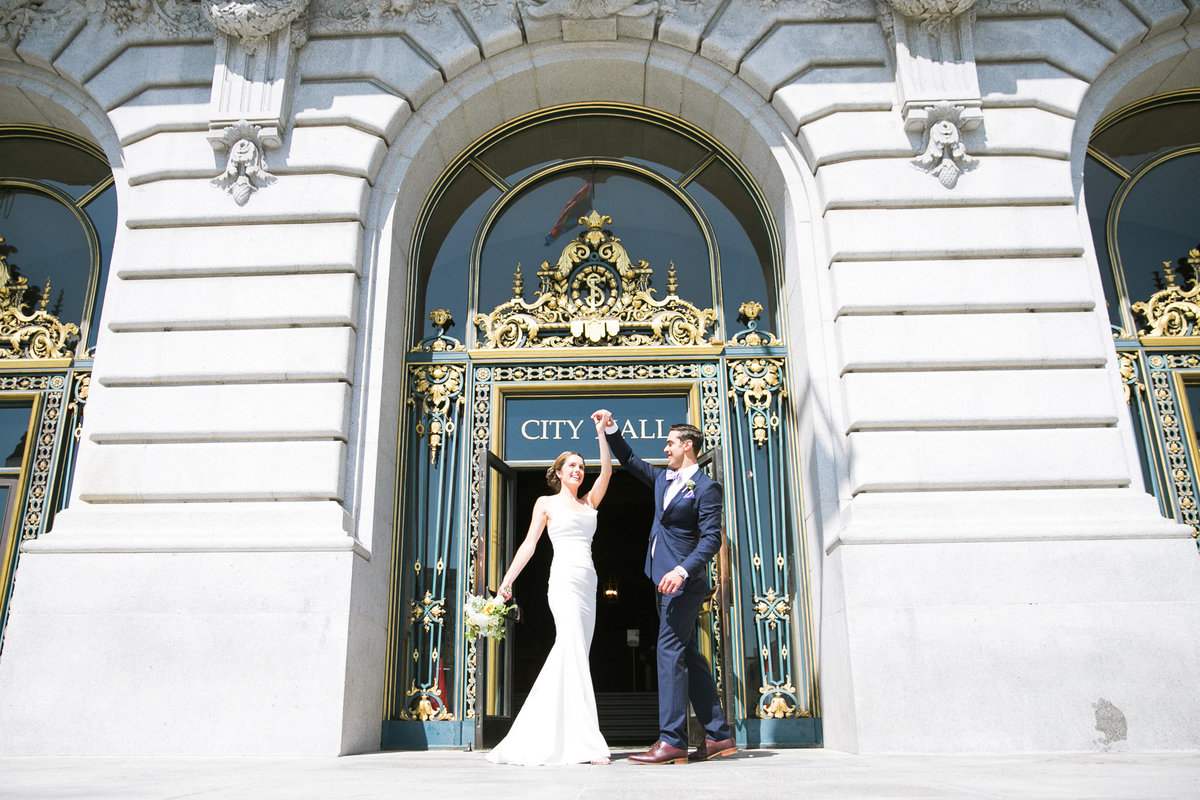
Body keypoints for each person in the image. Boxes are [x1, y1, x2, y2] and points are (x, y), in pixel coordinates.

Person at [595, 409, 736, 765]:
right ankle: (718, 735)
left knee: (668, 652)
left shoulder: (706, 488)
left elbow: (710, 540)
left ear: (688, 446)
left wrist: (682, 571)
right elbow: (628, 459)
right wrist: (611, 428)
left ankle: (672, 741)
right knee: (688, 652)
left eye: (671, 442)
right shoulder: (663, 480)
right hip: (662, 583)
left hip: (683, 584)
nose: (666, 447)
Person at [486, 414, 613, 766]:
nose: (579, 470)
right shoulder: (546, 503)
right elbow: (528, 545)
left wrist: (602, 434)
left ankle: (562, 734)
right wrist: (506, 582)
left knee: (574, 655)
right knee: (570, 648)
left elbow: (607, 473)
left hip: (589, 583)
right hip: (563, 582)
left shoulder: (589, 503)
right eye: (572, 465)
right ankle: (586, 741)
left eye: (581, 466)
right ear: (558, 472)